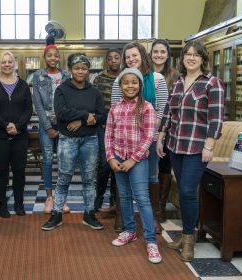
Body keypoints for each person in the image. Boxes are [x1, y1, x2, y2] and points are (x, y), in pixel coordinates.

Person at [156, 41, 224, 262]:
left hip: (197, 147)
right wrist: (161, 137)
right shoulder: (177, 83)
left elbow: (216, 118)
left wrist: (209, 146)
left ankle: (188, 241)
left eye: (196, 55)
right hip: (175, 145)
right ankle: (187, 233)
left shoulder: (212, 83)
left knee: (186, 190)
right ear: (182, 58)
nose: (191, 58)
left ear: (203, 59)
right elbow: (168, 113)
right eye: (188, 54)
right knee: (185, 193)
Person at [41, 53, 105, 231]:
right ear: (70, 70)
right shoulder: (62, 90)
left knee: (89, 179)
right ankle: (57, 214)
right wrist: (85, 115)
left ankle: (89, 213)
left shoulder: (94, 92)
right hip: (67, 140)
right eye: (76, 68)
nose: (80, 71)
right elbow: (61, 113)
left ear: (88, 71)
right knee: (64, 178)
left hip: (90, 140)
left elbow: (101, 115)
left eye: (84, 68)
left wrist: (80, 121)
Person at [111, 42, 168, 234]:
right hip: (125, 141)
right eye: (127, 57)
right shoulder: (120, 80)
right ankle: (122, 216)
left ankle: (154, 218)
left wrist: (153, 135)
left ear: (143, 56)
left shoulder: (157, 79)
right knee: (123, 179)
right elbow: (115, 111)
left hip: (148, 140)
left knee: (151, 176)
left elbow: (162, 110)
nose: (130, 59)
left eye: (134, 55)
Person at [106, 68, 162, 264]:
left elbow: (148, 138)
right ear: (120, 86)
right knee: (124, 196)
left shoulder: (147, 107)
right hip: (119, 158)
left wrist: (134, 159)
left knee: (142, 198)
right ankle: (129, 231)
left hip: (137, 161)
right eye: (126, 82)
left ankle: (151, 241)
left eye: (134, 82)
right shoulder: (115, 108)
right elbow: (108, 135)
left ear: (140, 85)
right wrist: (111, 157)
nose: (130, 86)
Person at [0, 50, 33, 218]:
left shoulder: (23, 85)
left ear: (14, 64)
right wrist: (6, 125)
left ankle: (19, 202)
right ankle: (2, 204)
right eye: (3, 62)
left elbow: (28, 109)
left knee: (19, 170)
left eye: (9, 61)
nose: (7, 64)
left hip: (20, 135)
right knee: (1, 171)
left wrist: (18, 126)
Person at [32, 43, 70, 214]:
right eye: (49, 55)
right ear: (44, 57)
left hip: (63, 124)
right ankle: (49, 197)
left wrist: (63, 126)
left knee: (64, 160)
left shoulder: (66, 75)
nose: (53, 58)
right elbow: (38, 105)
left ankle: (61, 198)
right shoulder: (38, 76)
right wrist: (47, 128)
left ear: (59, 57)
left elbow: (70, 101)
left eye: (56, 55)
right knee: (47, 159)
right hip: (46, 124)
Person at [150, 39, 180, 223]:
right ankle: (149, 205)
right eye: (155, 51)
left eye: (162, 51)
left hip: (168, 127)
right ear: (150, 54)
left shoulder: (175, 75)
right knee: (147, 168)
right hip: (147, 127)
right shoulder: (145, 74)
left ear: (168, 55)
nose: (159, 55)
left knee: (164, 165)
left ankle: (160, 209)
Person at [92, 48, 122, 231]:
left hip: (122, 129)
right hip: (103, 128)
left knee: (118, 166)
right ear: (106, 61)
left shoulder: (126, 77)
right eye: (109, 58)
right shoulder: (99, 80)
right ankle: (99, 197)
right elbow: (95, 105)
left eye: (116, 58)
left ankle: (114, 201)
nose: (113, 61)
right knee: (104, 164)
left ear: (120, 60)